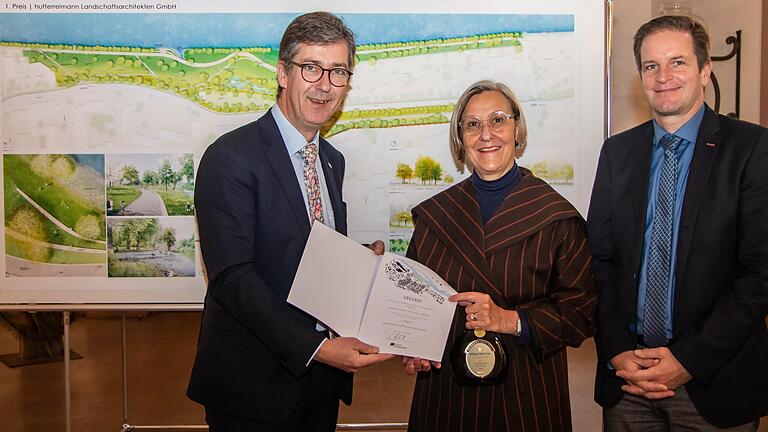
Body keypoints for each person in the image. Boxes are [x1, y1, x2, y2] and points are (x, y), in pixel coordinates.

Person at [187, 12, 392, 431]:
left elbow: (301, 252)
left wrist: (357, 263)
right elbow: (232, 279)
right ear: (283, 73)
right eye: (311, 67)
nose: (324, 84)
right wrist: (317, 348)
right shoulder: (230, 157)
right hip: (252, 389)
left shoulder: (331, 161)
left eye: (338, 72)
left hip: (320, 384)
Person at [588, 15, 768, 431]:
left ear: (705, 70)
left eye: (678, 62)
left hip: (713, 382)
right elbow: (600, 262)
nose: (663, 76)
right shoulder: (617, 153)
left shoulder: (753, 150)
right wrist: (616, 350)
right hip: (628, 381)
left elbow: (760, 276)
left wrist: (688, 360)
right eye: (651, 66)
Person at [403, 80, 597, 431]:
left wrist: (510, 320)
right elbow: (414, 301)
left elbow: (581, 313)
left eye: (498, 120)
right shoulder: (435, 216)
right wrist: (413, 345)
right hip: (447, 397)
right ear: (460, 139)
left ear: (517, 129)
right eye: (472, 124)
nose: (486, 134)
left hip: (526, 397)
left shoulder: (557, 218)